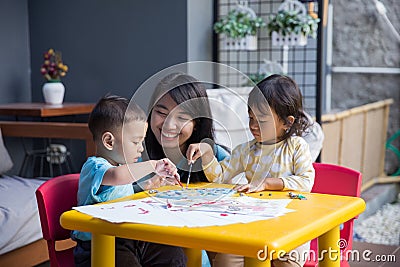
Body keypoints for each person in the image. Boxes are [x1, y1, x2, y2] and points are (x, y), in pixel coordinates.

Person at [187, 74, 315, 267]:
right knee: (224, 261)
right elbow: (220, 176)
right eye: (251, 118)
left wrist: (267, 183)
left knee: (287, 263)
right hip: (251, 229)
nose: (253, 126)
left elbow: (306, 181)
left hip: (292, 228)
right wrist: (207, 152)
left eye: (261, 120)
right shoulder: (246, 150)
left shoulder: (296, 146)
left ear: (287, 122)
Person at [71, 95, 187, 267]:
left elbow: (118, 194)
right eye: (135, 142)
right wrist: (153, 165)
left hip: (128, 237)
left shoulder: (120, 167)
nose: (141, 148)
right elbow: (117, 177)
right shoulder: (95, 167)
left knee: (172, 253)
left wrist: (148, 186)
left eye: (142, 141)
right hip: (99, 244)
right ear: (109, 141)